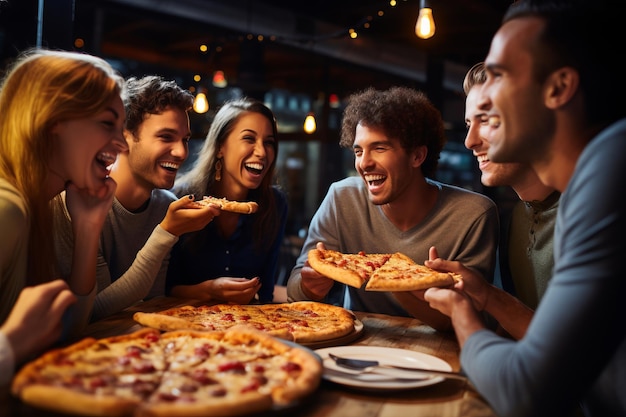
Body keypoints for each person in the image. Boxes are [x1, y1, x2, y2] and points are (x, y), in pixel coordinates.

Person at [423, 1, 626, 416]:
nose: (488, 100)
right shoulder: (597, 169)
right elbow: (557, 350)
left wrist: (464, 316)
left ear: (558, 88)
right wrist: (486, 296)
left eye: (498, 76)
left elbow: (526, 391)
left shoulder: (612, 163)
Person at [286, 86, 499, 331]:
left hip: (438, 353)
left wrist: (404, 285)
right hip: (356, 349)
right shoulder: (342, 198)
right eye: (358, 151)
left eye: (379, 148)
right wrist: (308, 286)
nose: (364, 163)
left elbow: (472, 322)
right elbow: (295, 292)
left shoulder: (473, 214)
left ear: (417, 156)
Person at [0, 49, 128, 383]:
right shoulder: (6, 208)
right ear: (53, 119)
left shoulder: (34, 208)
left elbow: (67, 331)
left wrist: (87, 227)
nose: (122, 145)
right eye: (106, 123)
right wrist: (10, 344)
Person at [54, 75, 219, 321]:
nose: (182, 152)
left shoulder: (165, 204)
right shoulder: (79, 202)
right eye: (166, 137)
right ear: (123, 137)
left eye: (185, 139)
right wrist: (166, 234)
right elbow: (94, 311)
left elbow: (152, 302)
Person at [166, 97, 288, 304]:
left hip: (248, 326)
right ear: (220, 146)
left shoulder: (275, 204)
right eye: (249, 139)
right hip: (184, 325)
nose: (261, 152)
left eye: (269, 142)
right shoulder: (181, 199)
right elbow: (163, 288)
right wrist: (210, 290)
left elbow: (266, 290)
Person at [463, 61, 560, 310]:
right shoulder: (518, 216)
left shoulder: (588, 214)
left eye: (484, 120)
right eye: (468, 124)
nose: (470, 141)